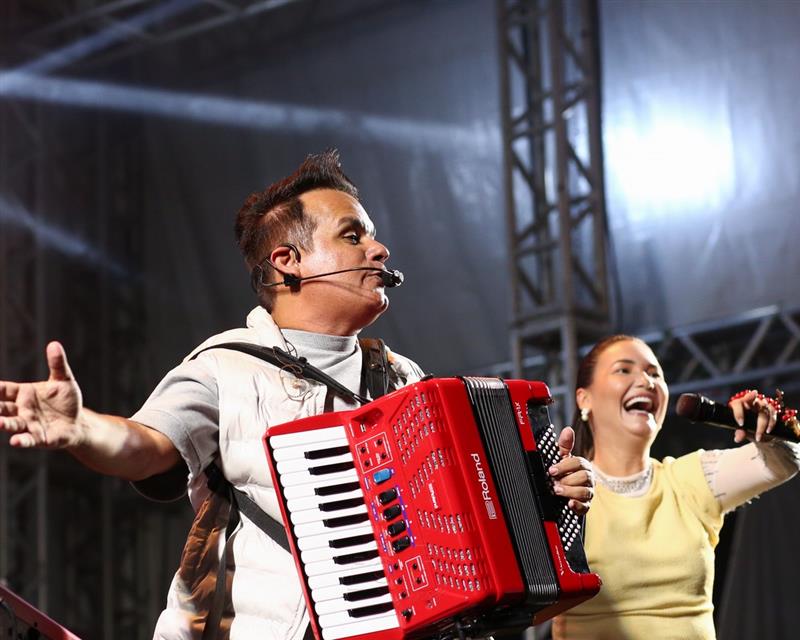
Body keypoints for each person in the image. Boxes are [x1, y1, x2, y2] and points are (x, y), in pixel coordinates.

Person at [0, 150, 595, 640]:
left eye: (373, 237)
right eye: (353, 235)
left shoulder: (407, 380)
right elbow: (146, 445)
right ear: (288, 263)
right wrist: (81, 428)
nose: (379, 251)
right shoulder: (227, 365)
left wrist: (544, 497)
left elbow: (460, 528)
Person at [552, 334, 800, 639]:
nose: (646, 381)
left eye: (655, 374)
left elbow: (786, 462)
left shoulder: (690, 478)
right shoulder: (564, 490)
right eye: (624, 370)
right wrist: (545, 499)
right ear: (584, 399)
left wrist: (767, 431)